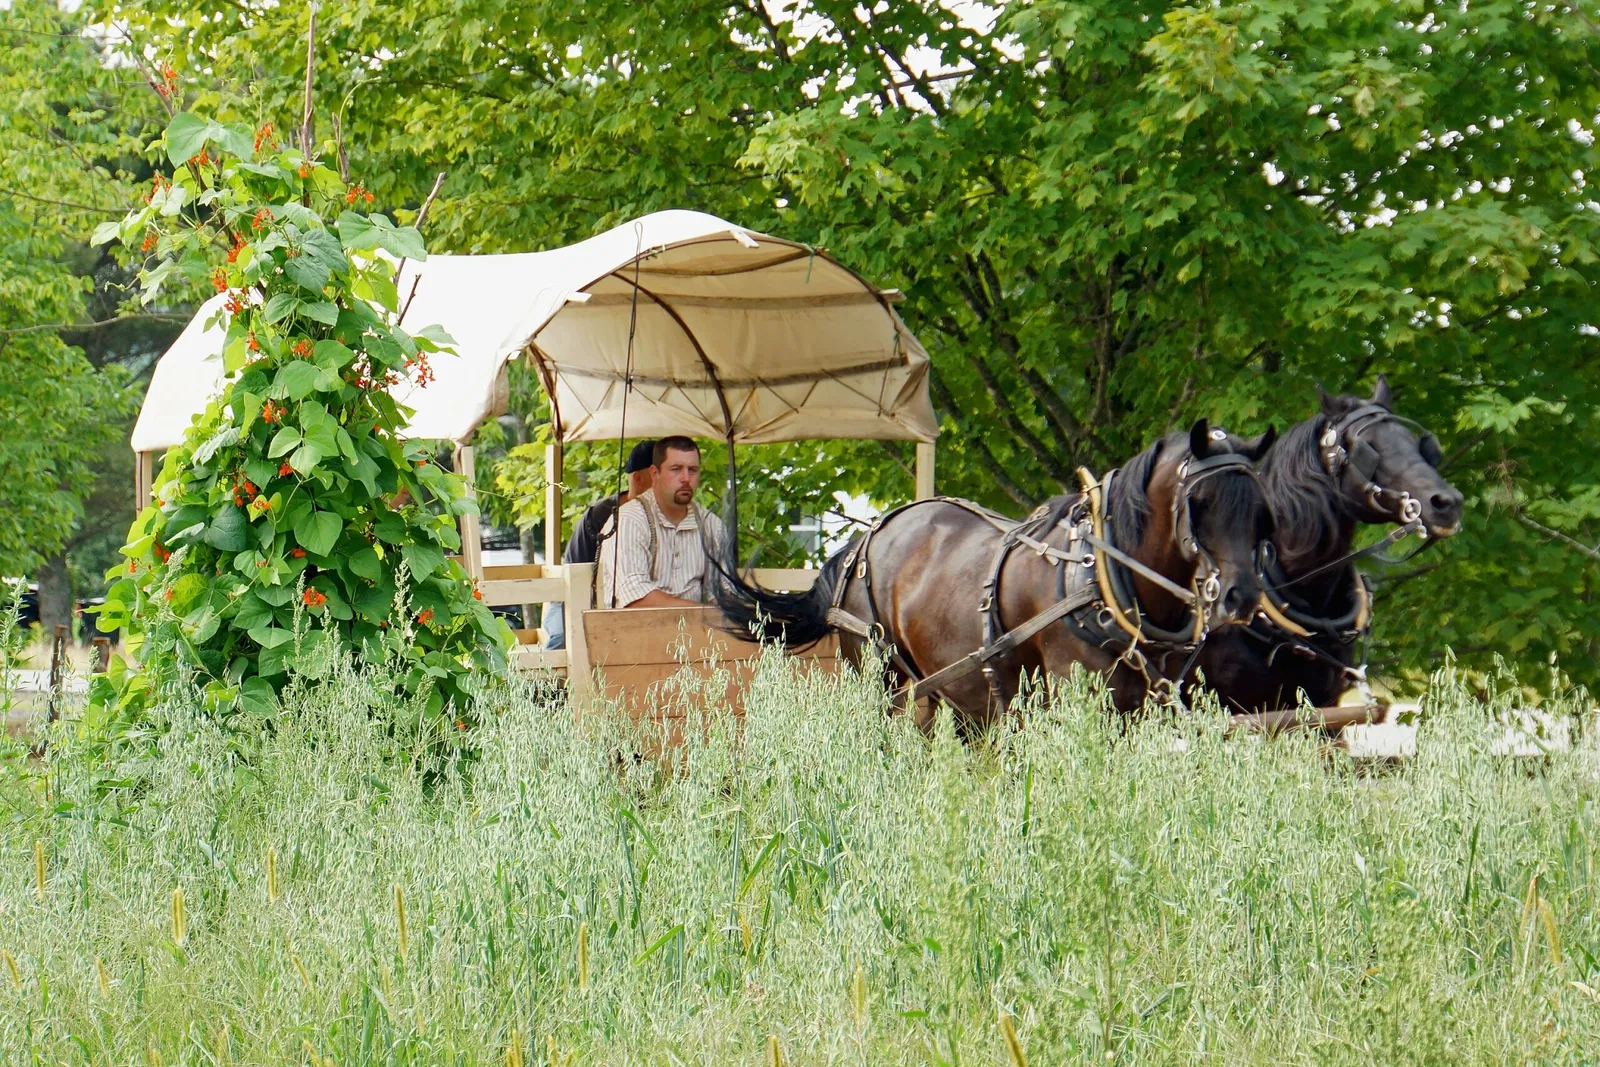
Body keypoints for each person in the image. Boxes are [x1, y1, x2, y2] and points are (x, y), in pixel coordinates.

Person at [542, 440, 655, 650]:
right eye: (657, 475)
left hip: (635, 603)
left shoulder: (665, 518)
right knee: (564, 638)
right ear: (638, 478)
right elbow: (577, 573)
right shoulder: (600, 515)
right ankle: (548, 674)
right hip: (578, 595)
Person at [598, 436, 728, 609]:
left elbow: (722, 593)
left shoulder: (711, 525)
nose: (686, 478)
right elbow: (635, 599)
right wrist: (702, 611)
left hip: (695, 624)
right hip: (634, 625)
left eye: (693, 470)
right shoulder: (629, 519)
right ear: (655, 473)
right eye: (676, 469)